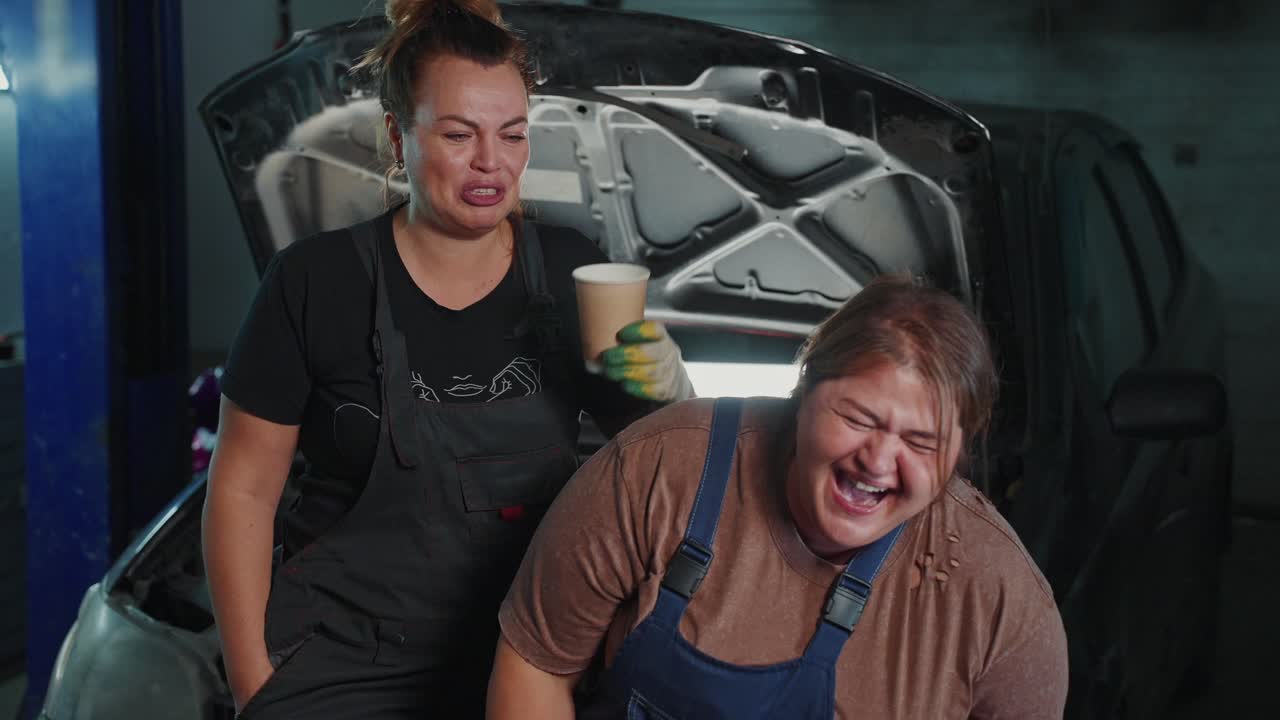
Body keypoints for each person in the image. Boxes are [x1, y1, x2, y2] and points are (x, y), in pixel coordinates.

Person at [201, 1, 695, 717]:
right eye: (459, 135)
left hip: (529, 657)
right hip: (344, 665)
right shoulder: (315, 282)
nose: (492, 162)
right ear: (400, 140)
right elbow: (243, 488)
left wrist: (671, 392)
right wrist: (255, 685)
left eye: (513, 134)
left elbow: (662, 469)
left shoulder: (570, 273)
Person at [488, 274, 1070, 719]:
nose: (879, 461)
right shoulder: (658, 467)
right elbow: (536, 664)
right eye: (859, 418)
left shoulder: (1002, 604)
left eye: (921, 441)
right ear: (804, 392)